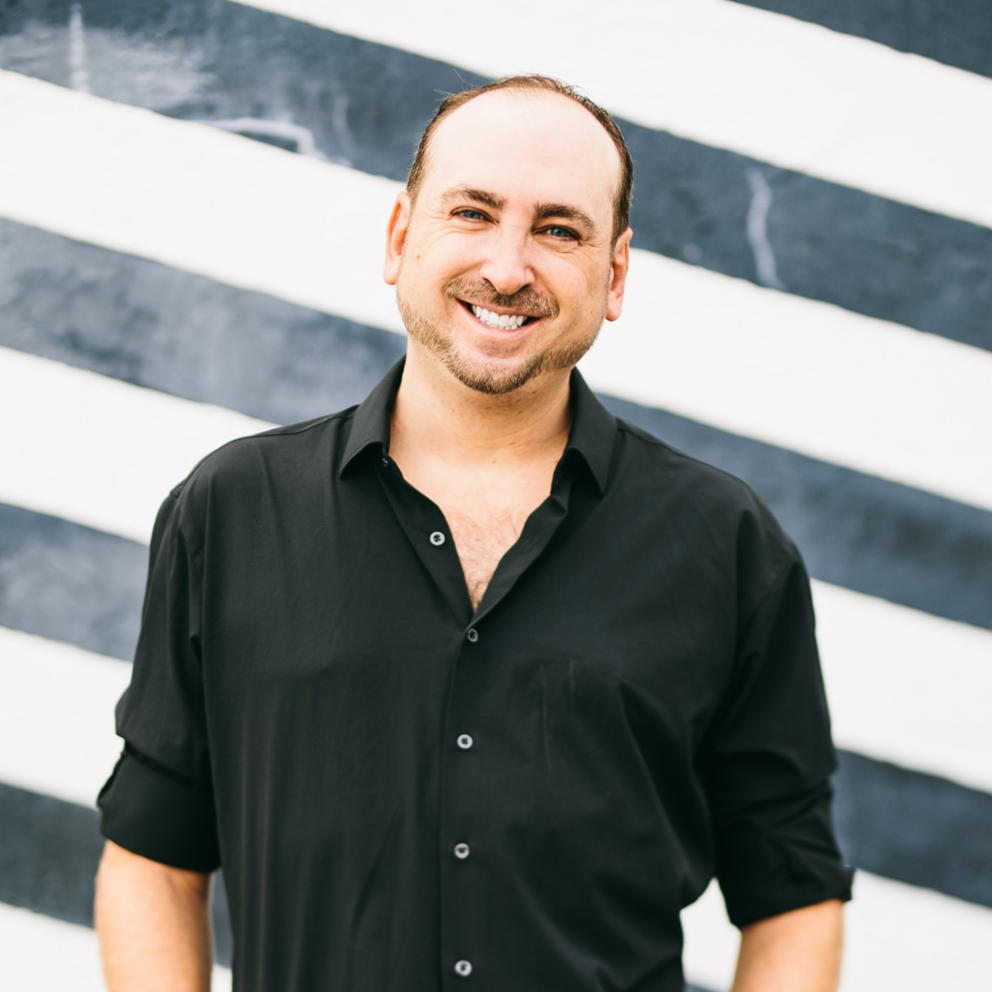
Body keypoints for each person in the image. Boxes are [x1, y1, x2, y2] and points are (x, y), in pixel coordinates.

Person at [94, 75, 852, 992]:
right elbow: (153, 857)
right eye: (474, 212)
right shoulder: (232, 511)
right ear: (399, 237)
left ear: (614, 276)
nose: (507, 266)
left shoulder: (727, 547)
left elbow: (793, 893)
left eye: (559, 229)